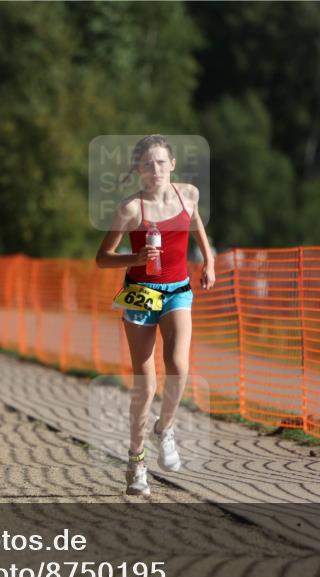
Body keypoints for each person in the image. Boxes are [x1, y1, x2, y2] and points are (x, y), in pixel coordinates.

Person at [95, 135, 216, 496]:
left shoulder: (188, 194)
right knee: (145, 385)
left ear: (172, 165)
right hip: (141, 296)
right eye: (148, 164)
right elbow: (102, 258)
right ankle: (137, 463)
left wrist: (208, 260)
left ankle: (165, 428)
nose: (155, 169)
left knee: (179, 366)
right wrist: (136, 259)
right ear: (138, 170)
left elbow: (196, 225)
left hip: (178, 290)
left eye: (161, 162)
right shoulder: (131, 209)